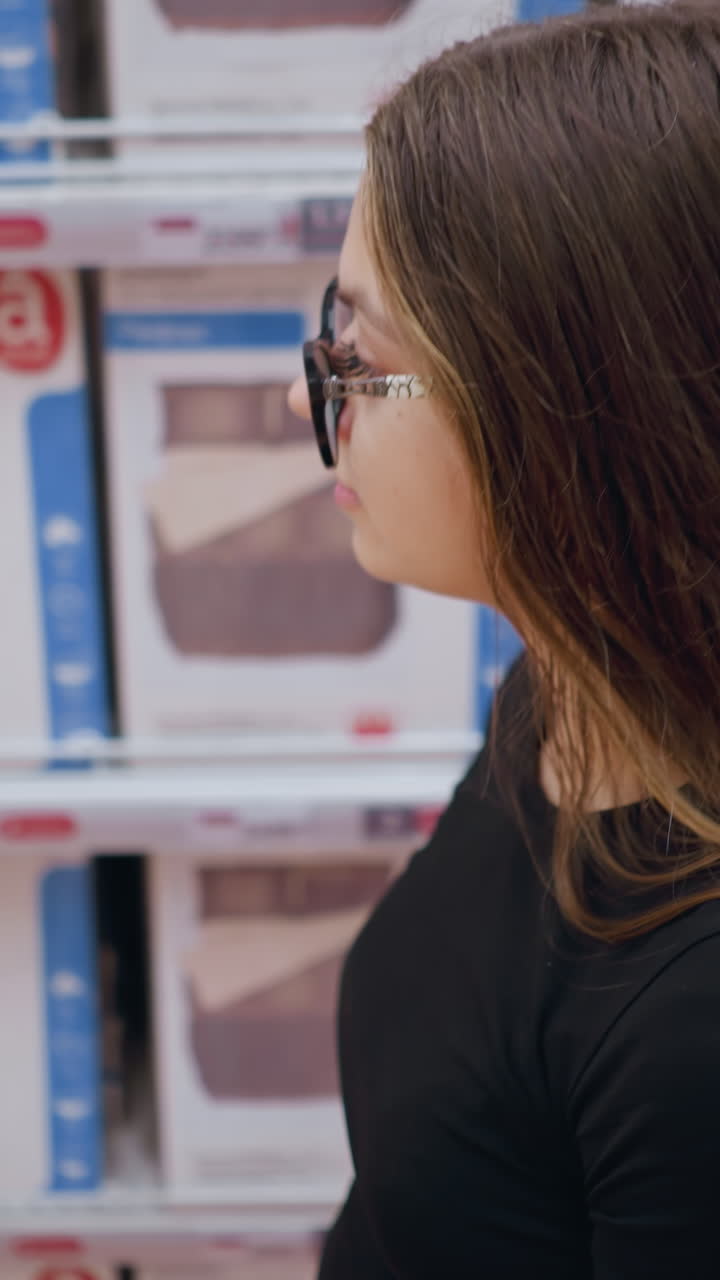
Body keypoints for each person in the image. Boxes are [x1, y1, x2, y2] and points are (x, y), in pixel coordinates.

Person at [287, 2, 720, 1275]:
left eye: (359, 355)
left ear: (556, 407)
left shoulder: (690, 1021)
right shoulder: (579, 686)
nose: (311, 388)